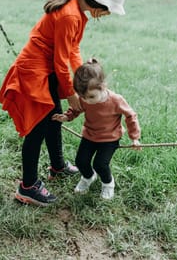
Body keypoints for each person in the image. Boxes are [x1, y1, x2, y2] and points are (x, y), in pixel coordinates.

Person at [0, 0, 128, 207]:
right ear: (99, 1)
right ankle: (27, 186)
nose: (108, 14)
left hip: (46, 72)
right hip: (34, 73)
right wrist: (70, 94)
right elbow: (60, 60)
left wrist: (81, 81)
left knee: (54, 120)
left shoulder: (80, 13)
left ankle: (57, 166)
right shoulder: (70, 15)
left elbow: (73, 50)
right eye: (109, 9)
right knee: (37, 129)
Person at [52, 58, 141, 200]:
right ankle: (88, 177)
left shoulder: (116, 100)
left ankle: (108, 184)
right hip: (90, 135)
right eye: (83, 97)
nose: (87, 101)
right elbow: (76, 109)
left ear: (103, 86)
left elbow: (130, 116)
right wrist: (67, 117)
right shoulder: (85, 98)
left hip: (110, 138)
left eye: (91, 97)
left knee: (100, 164)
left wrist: (134, 137)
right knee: (81, 161)